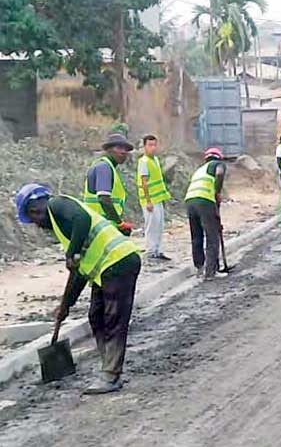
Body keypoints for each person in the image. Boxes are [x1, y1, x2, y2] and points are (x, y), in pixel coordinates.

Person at [15, 183, 141, 394]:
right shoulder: (64, 227)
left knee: (113, 320)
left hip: (119, 262)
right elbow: (79, 272)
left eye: (34, 219)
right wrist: (67, 305)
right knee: (96, 316)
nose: (36, 225)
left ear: (34, 209)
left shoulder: (57, 204)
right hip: (107, 269)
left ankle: (111, 376)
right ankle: (108, 367)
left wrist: (72, 253)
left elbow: (81, 220)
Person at [185, 148, 227, 279]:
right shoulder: (218, 164)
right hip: (205, 201)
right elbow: (219, 174)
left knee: (196, 236)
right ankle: (211, 272)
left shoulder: (199, 170)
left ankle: (200, 268)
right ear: (219, 157)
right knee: (212, 236)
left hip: (190, 202)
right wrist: (218, 192)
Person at [83, 133, 134, 235]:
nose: (124, 152)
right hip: (100, 226)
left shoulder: (108, 167)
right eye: (119, 148)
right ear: (108, 150)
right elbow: (104, 199)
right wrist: (120, 224)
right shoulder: (104, 167)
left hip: (101, 224)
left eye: (126, 149)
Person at [137, 135, 173, 261]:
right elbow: (144, 182)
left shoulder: (155, 160)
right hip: (150, 201)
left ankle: (158, 250)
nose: (152, 148)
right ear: (144, 146)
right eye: (150, 145)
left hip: (158, 199)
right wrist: (148, 201)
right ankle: (151, 251)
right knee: (151, 226)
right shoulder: (144, 162)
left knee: (159, 225)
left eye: (154, 145)